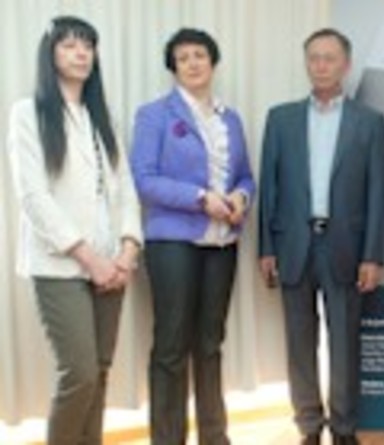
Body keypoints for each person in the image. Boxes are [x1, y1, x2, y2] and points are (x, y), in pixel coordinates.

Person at [6, 16, 142, 445]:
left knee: (99, 371)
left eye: (87, 45)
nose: (81, 53)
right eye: (69, 45)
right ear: (50, 55)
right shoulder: (27, 113)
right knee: (79, 373)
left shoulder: (101, 117)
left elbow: (125, 189)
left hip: (112, 262)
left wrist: (128, 250)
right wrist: (90, 259)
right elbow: (34, 197)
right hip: (60, 264)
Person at [258, 28, 384, 445]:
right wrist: (266, 248)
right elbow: (269, 189)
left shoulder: (369, 122)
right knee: (299, 342)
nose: (321, 66)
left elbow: (377, 192)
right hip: (293, 245)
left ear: (345, 65)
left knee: (345, 342)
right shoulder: (281, 119)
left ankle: (344, 429)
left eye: (329, 58)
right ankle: (309, 427)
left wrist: (373, 255)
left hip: (346, 246)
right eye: (313, 58)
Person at [129, 28, 255, 445]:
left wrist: (240, 196)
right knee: (171, 346)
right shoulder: (154, 115)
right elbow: (144, 180)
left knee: (210, 343)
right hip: (172, 243)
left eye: (200, 55)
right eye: (183, 58)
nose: (193, 63)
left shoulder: (230, 118)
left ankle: (214, 437)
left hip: (223, 243)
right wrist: (201, 199)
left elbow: (245, 177)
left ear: (213, 62)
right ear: (174, 68)